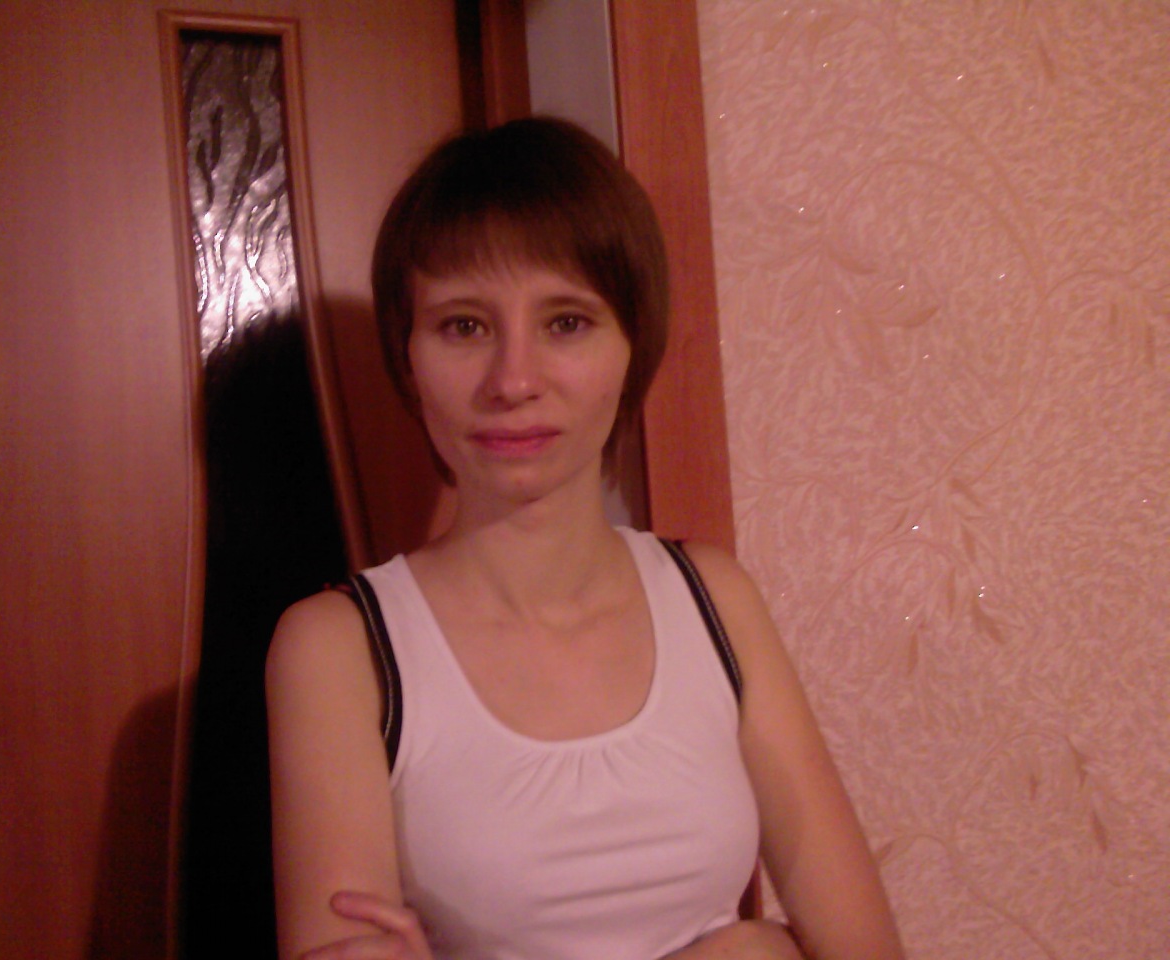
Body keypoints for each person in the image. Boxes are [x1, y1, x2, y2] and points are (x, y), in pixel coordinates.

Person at [266, 117, 905, 960]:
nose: (514, 380)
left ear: (633, 345)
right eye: (464, 327)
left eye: (566, 322)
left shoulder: (713, 598)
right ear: (408, 356)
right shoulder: (337, 649)